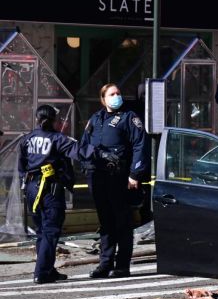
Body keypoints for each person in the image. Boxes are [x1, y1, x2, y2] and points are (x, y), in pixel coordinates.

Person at [80, 84, 148, 279]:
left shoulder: (129, 117)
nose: (116, 96)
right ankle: (105, 263)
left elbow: (139, 146)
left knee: (122, 221)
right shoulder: (96, 119)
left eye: (118, 93)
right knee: (106, 221)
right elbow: (85, 145)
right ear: (103, 99)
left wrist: (135, 174)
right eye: (112, 94)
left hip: (120, 176)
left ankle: (122, 265)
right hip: (99, 177)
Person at [19, 105, 78, 284]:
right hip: (50, 191)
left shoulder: (27, 139)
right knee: (50, 231)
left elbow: (21, 166)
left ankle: (49, 269)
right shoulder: (58, 139)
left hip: (31, 189)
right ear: (54, 120)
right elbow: (80, 152)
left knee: (41, 232)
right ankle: (42, 272)